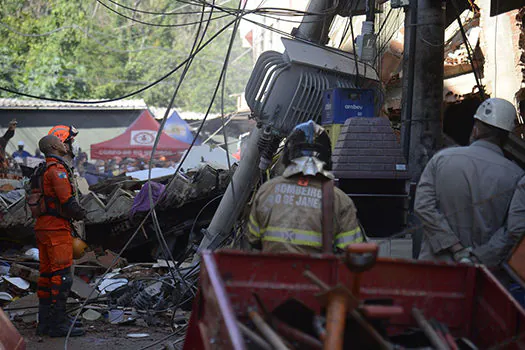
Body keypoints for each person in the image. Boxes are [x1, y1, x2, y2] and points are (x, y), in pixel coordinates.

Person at [415, 98, 524, 265]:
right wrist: (478, 257)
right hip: (485, 275)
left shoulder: (441, 159)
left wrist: (456, 248)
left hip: (435, 269)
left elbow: (423, 206)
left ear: (475, 129)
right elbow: (513, 230)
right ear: (507, 136)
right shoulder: (516, 175)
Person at [247, 120, 364, 254]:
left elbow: (253, 239)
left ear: (287, 155)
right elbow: (352, 251)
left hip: (272, 273)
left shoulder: (266, 191)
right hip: (317, 274)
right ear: (327, 158)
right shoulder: (340, 200)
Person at [35, 135, 86, 337]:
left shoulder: (41, 169)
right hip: (56, 228)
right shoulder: (57, 170)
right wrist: (83, 214)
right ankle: (58, 324)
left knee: (47, 275)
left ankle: (45, 323)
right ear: (54, 146)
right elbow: (67, 201)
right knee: (62, 275)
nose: (65, 144)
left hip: (42, 228)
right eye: (61, 141)